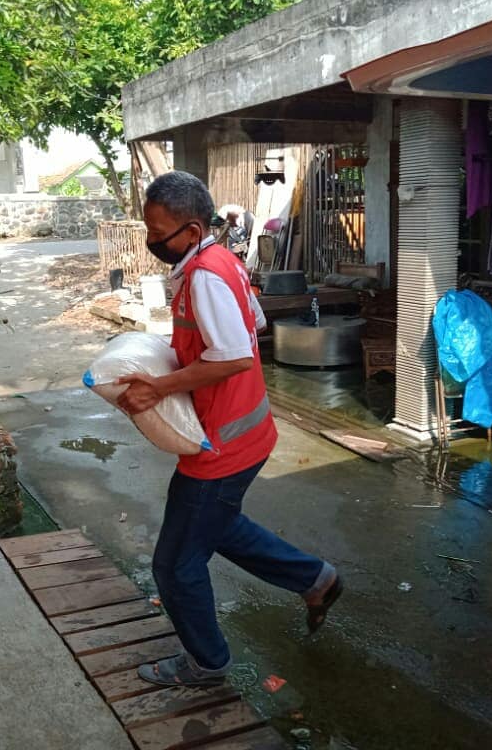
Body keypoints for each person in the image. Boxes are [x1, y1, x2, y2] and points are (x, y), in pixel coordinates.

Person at [117, 171, 342, 688]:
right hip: (246, 433)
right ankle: (316, 579)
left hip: (221, 445)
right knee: (217, 527)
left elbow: (238, 354)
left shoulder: (206, 276)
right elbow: (254, 323)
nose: (152, 241)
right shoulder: (222, 263)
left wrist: (161, 386)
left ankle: (207, 663)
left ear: (192, 231)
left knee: (174, 566)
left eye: (159, 232)